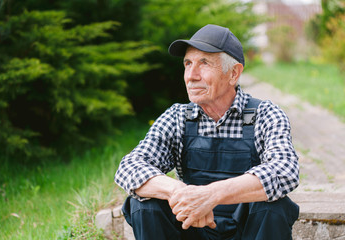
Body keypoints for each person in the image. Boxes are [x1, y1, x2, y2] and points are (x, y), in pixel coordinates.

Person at [114, 24, 299, 240]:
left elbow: (285, 170)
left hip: (249, 232)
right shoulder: (177, 117)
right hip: (192, 229)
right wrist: (178, 192)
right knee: (143, 204)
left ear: (233, 73)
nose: (191, 76)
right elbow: (129, 167)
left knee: (274, 206)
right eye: (188, 63)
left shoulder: (265, 114)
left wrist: (210, 195)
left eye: (204, 63)